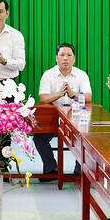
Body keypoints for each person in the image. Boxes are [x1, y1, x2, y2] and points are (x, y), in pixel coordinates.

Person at [34, 43, 92, 175]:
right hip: (53, 118)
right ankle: (51, 169)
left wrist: (73, 95)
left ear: (74, 58)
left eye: (69, 55)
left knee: (85, 138)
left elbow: (88, 97)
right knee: (39, 138)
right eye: (62, 55)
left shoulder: (81, 75)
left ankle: (79, 170)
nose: (65, 58)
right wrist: (58, 94)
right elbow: (42, 97)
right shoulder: (48, 75)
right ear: (56, 58)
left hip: (75, 119)